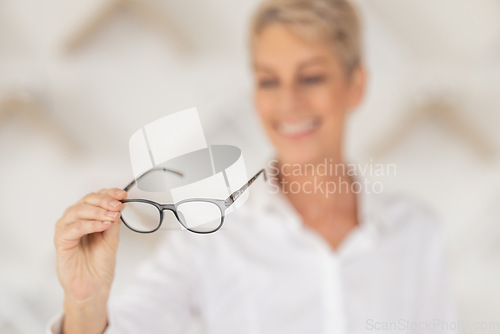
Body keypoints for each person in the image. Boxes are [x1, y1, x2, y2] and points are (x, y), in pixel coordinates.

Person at [49, 0, 455, 333]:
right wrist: (85, 303)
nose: (288, 102)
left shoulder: (416, 232)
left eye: (311, 78)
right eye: (269, 81)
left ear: (356, 85)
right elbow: (138, 320)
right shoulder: (211, 232)